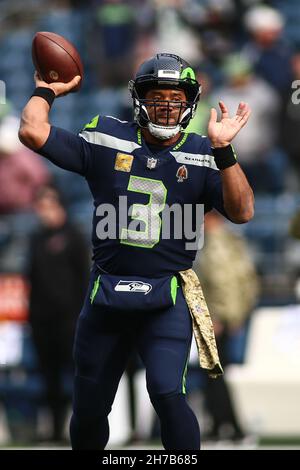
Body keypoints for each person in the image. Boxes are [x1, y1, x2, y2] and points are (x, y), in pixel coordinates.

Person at [19, 53, 254, 450]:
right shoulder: (107, 136)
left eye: (176, 99)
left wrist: (224, 151)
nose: (166, 106)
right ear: (139, 99)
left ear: (189, 104)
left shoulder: (202, 151)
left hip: (166, 295)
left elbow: (243, 210)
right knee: (91, 406)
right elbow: (31, 131)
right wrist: (46, 90)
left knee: (166, 393)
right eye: (158, 96)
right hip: (107, 293)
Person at [28, 184, 90, 443]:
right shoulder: (36, 238)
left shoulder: (74, 236)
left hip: (70, 320)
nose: (45, 212)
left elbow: (83, 279)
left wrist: (81, 318)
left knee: (76, 378)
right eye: (41, 207)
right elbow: (31, 280)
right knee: (49, 378)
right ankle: (54, 432)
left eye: (49, 205)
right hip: (43, 321)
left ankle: (82, 430)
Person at [193, 210, 259, 441]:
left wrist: (219, 317)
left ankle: (230, 427)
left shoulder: (216, 244)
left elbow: (221, 283)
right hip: (226, 316)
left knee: (213, 375)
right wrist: (238, 314)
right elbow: (247, 280)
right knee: (215, 374)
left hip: (216, 320)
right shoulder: (230, 240)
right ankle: (223, 424)